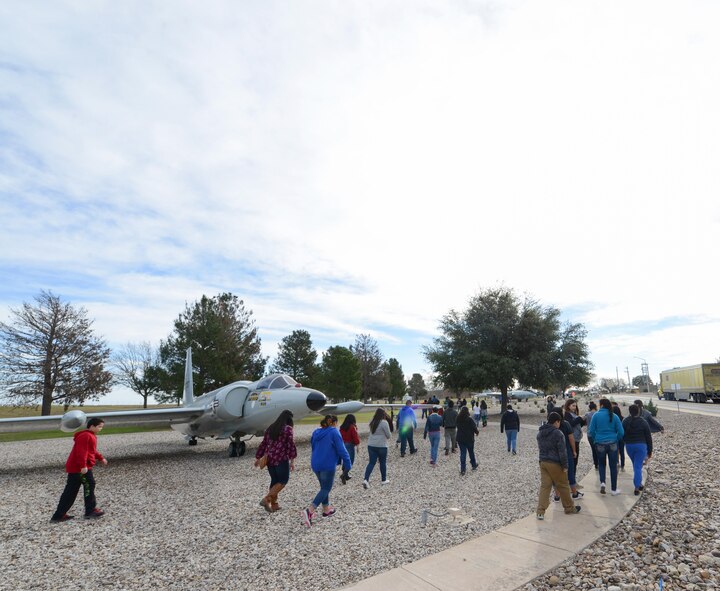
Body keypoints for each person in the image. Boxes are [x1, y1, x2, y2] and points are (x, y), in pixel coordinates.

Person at [51, 417, 108, 522]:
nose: (101, 429)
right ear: (92, 426)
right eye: (99, 427)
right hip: (79, 468)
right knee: (89, 485)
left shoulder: (89, 436)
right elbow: (81, 452)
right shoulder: (86, 436)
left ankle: (59, 515)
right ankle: (90, 511)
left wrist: (101, 458)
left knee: (71, 491)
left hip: (76, 468)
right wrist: (83, 466)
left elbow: (91, 450)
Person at [302, 415, 351, 527]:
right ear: (334, 423)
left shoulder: (316, 432)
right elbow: (342, 449)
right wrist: (348, 464)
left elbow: (313, 447)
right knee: (326, 488)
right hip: (327, 464)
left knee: (323, 487)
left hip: (316, 463)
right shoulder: (334, 432)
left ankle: (326, 509)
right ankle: (309, 511)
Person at [536, 412, 581, 519]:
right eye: (559, 422)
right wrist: (565, 465)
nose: (559, 424)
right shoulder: (558, 433)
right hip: (555, 463)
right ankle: (569, 508)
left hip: (543, 462)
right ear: (556, 421)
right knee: (563, 485)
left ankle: (540, 511)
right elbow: (562, 451)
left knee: (545, 487)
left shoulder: (540, 433)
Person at [255, 410, 297, 512]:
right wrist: (292, 460)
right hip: (281, 458)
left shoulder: (271, 428)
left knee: (274, 481)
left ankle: (274, 505)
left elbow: (264, 443)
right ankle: (266, 499)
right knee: (283, 481)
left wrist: (258, 457)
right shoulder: (288, 429)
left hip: (269, 459)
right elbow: (290, 445)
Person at [588, 398, 625, 495]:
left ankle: (603, 483)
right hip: (612, 442)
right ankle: (613, 489)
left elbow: (591, 431)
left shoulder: (596, 415)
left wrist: (596, 439)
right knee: (613, 466)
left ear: (601, 405)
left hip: (600, 443)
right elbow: (621, 432)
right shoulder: (614, 416)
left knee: (601, 464)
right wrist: (616, 439)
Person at [622, 404, 653, 495]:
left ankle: (638, 483)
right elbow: (648, 437)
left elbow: (621, 433)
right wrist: (650, 450)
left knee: (636, 465)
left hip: (629, 446)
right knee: (638, 467)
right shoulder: (643, 422)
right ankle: (636, 487)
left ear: (629, 411)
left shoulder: (625, 421)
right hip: (641, 446)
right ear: (638, 411)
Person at [363, 408, 392, 488]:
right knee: (382, 462)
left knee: (371, 463)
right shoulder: (384, 422)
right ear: (383, 414)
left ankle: (366, 479)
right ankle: (383, 480)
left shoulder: (372, 421)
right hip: (382, 445)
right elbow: (388, 435)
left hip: (371, 444)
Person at [455, 406, 479, 475]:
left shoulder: (458, 419)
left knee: (463, 453)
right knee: (471, 452)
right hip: (469, 438)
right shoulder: (469, 419)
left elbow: (457, 426)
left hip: (460, 438)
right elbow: (474, 427)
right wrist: (477, 432)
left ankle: (463, 469)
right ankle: (473, 465)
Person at [563, 399, 585, 471]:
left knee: (575, 459)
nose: (574, 407)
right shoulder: (567, 414)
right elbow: (571, 424)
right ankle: (571, 478)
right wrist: (579, 418)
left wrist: (582, 421)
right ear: (568, 406)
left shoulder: (574, 414)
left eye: (575, 406)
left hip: (577, 438)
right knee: (573, 458)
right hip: (572, 439)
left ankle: (572, 476)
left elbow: (577, 426)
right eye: (573, 406)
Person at [339, 414, 360, 484]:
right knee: (351, 461)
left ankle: (346, 475)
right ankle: (344, 475)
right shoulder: (352, 427)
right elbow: (355, 437)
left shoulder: (342, 427)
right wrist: (357, 446)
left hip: (342, 444)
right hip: (350, 445)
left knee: (345, 459)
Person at [584, 401, 599, 470]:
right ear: (595, 407)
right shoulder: (598, 414)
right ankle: (600, 462)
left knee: (593, 449)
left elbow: (583, 422)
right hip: (597, 434)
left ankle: (596, 464)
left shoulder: (587, 414)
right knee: (599, 449)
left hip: (589, 434)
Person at [612, 403, 626, 472]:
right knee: (622, 451)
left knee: (615, 450)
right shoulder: (623, 418)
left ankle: (617, 462)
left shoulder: (612, 419)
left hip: (614, 437)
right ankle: (623, 465)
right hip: (622, 437)